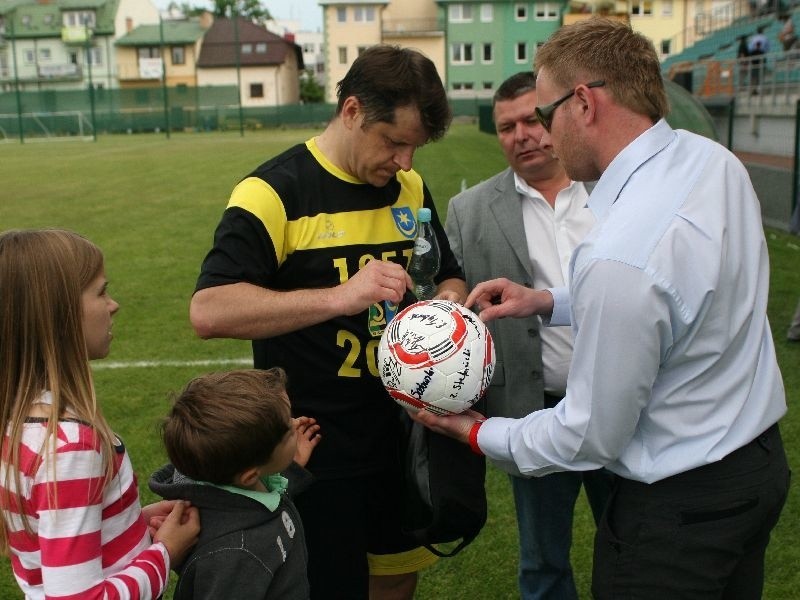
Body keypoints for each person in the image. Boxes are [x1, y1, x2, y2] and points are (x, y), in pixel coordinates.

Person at [413, 18, 790, 599]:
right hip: (757, 467)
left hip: (679, 515)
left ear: (583, 103)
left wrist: (475, 432)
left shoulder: (622, 254)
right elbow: (683, 297)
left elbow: (588, 436)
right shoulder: (711, 160)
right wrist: (548, 301)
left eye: (544, 114)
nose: (540, 133)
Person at [189, 44, 467, 599]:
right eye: (394, 142)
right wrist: (339, 297)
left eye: (414, 147)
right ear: (352, 111)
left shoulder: (407, 188)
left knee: (396, 575)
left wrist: (448, 315)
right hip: (313, 447)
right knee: (330, 585)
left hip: (401, 435)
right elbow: (210, 310)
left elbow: (448, 276)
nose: (406, 162)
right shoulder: (272, 192)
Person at [446, 71, 612, 600]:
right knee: (542, 561)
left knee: (633, 543)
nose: (522, 135)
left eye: (532, 119)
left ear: (558, 116)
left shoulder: (613, 190)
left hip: (621, 398)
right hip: (531, 406)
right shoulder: (468, 211)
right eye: (506, 127)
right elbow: (450, 297)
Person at [0, 228, 201, 599]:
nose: (114, 305)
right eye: (101, 292)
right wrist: (165, 552)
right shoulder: (70, 448)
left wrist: (131, 524)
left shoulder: (20, 424)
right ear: (57, 316)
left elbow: (54, 541)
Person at [150, 368, 321, 600]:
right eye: (288, 433)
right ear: (250, 475)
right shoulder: (235, 553)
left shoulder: (230, 488)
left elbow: (260, 503)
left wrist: (288, 466)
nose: (295, 424)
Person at [748, 26, 770, 92]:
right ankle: (759, 87)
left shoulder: (753, 38)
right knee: (761, 70)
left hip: (753, 55)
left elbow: (750, 48)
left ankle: (753, 88)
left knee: (754, 72)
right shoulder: (765, 38)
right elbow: (768, 48)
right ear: (762, 32)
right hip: (761, 54)